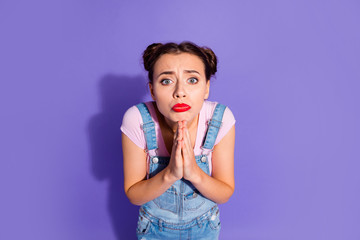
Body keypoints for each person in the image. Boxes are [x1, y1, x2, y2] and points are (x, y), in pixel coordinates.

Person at [121, 41, 236, 239]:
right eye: (167, 81)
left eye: (192, 80)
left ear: (206, 88)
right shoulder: (137, 119)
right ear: (152, 90)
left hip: (204, 228)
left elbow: (224, 193)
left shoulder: (219, 119)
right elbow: (134, 194)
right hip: (154, 230)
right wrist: (170, 174)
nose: (180, 92)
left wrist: (194, 173)